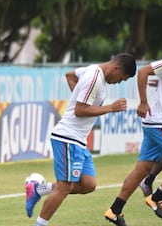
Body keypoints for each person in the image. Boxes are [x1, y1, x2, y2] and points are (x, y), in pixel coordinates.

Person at [25, 53, 137, 226]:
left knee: (88, 184)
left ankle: (38, 189)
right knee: (65, 187)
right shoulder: (95, 78)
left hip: (78, 140)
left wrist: (80, 96)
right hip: (68, 137)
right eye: (121, 79)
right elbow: (79, 110)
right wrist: (110, 108)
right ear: (116, 68)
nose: (118, 82)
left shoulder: (91, 69)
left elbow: (70, 75)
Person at [104, 59, 162, 226]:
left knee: (142, 170)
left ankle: (114, 210)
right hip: (159, 122)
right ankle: (158, 197)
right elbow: (144, 71)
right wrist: (143, 101)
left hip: (155, 124)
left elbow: (154, 80)